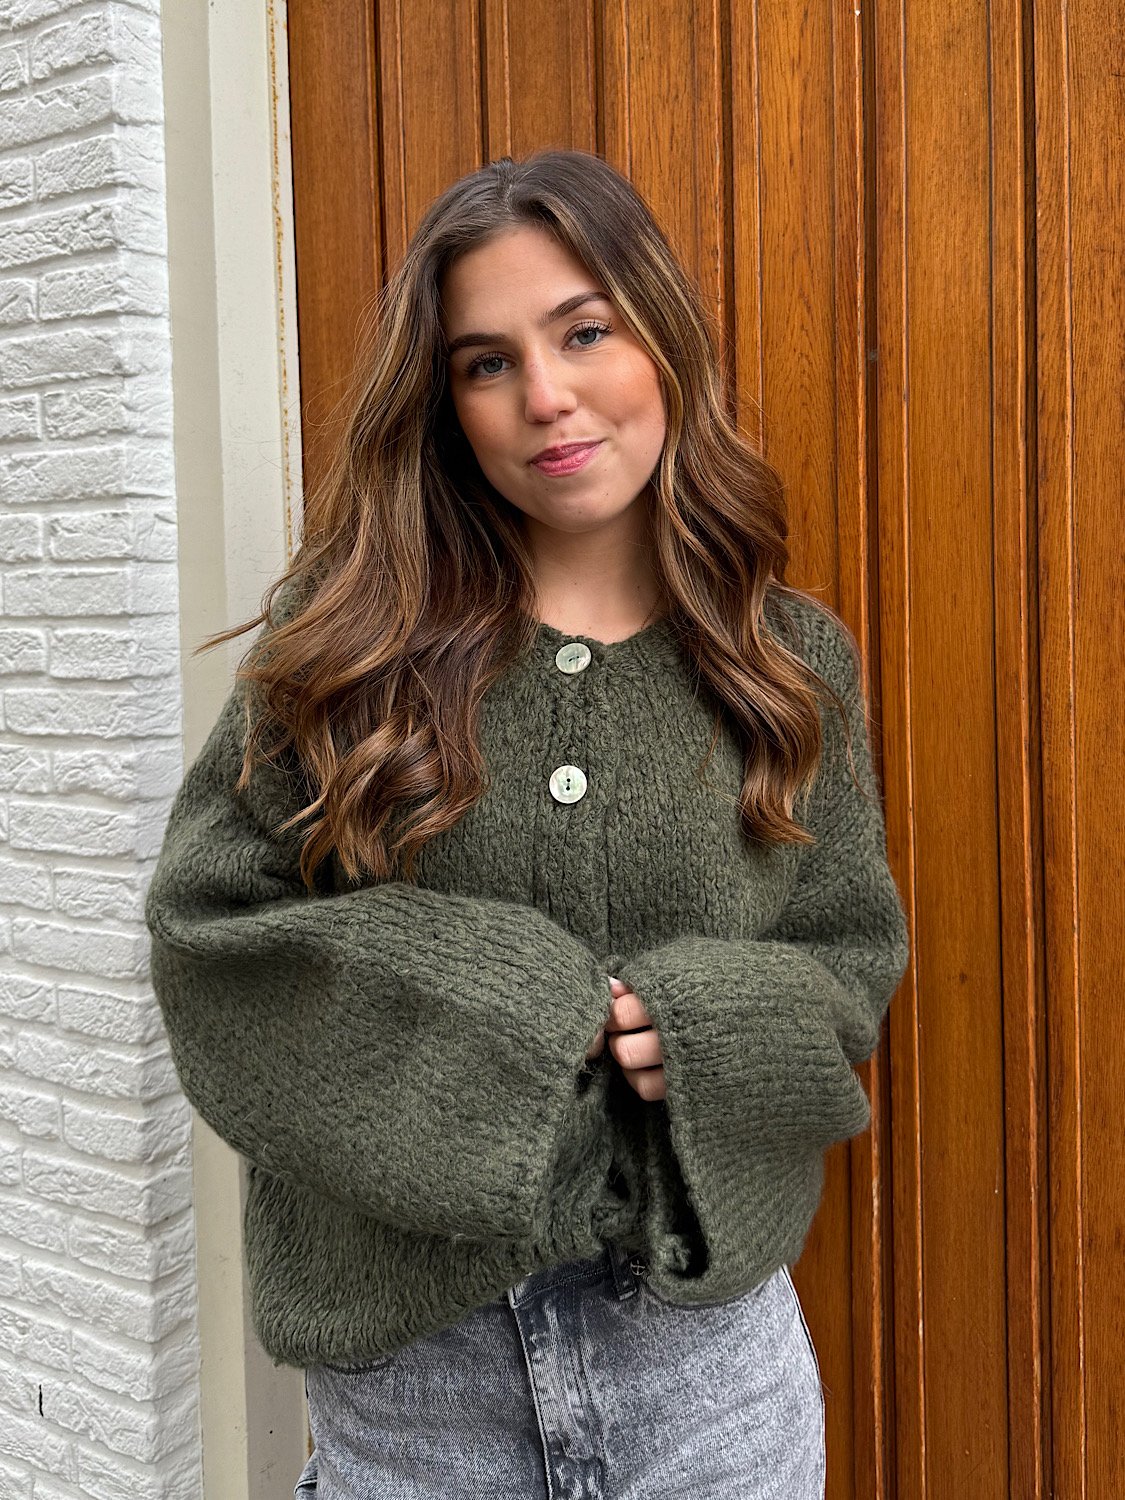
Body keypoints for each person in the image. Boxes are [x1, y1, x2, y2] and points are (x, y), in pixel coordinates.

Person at [144, 147, 911, 1500]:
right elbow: (210, 935)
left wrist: (708, 1026)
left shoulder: (786, 661)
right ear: (444, 401)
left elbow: (851, 962)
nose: (544, 397)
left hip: (708, 1385)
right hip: (417, 1396)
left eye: (584, 332)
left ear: (661, 337)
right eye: (485, 362)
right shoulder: (350, 640)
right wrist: (507, 1012)